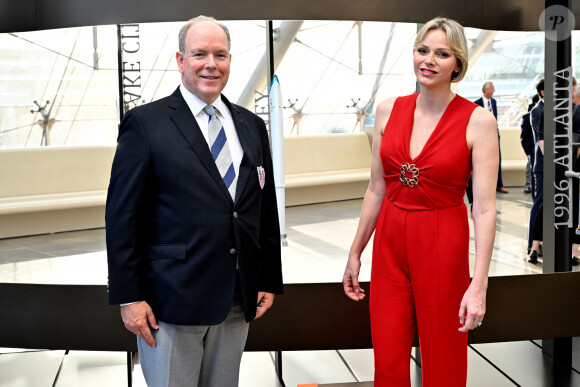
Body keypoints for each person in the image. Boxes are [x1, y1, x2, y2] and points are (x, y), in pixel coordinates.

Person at [106, 16, 283, 386]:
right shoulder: (146, 123)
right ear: (180, 59)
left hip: (236, 299)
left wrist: (267, 277)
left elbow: (262, 209)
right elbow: (123, 217)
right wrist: (129, 297)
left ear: (230, 60)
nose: (211, 64)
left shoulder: (251, 125)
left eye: (220, 55)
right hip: (170, 303)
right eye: (200, 54)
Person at [342, 17, 497, 386]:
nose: (428, 60)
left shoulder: (478, 122)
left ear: (457, 63)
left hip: (443, 242)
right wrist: (355, 251)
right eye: (422, 50)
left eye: (441, 54)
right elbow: (376, 189)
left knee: (444, 356)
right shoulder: (386, 110)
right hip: (390, 245)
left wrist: (479, 284)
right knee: (388, 355)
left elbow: (486, 207)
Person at [474, 81, 507, 193]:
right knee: (483, 160)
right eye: (492, 88)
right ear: (486, 90)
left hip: (494, 134)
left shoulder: (493, 102)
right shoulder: (477, 103)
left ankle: (499, 185)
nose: (494, 90)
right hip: (482, 136)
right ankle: (485, 186)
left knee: (498, 158)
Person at [528, 78, 544, 263]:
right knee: (538, 204)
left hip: (555, 163)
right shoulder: (537, 111)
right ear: (543, 92)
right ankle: (532, 244)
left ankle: (539, 243)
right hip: (541, 165)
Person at [520, 94, 539, 195]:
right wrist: (529, 152)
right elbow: (523, 137)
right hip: (533, 151)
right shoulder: (527, 116)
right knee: (531, 171)